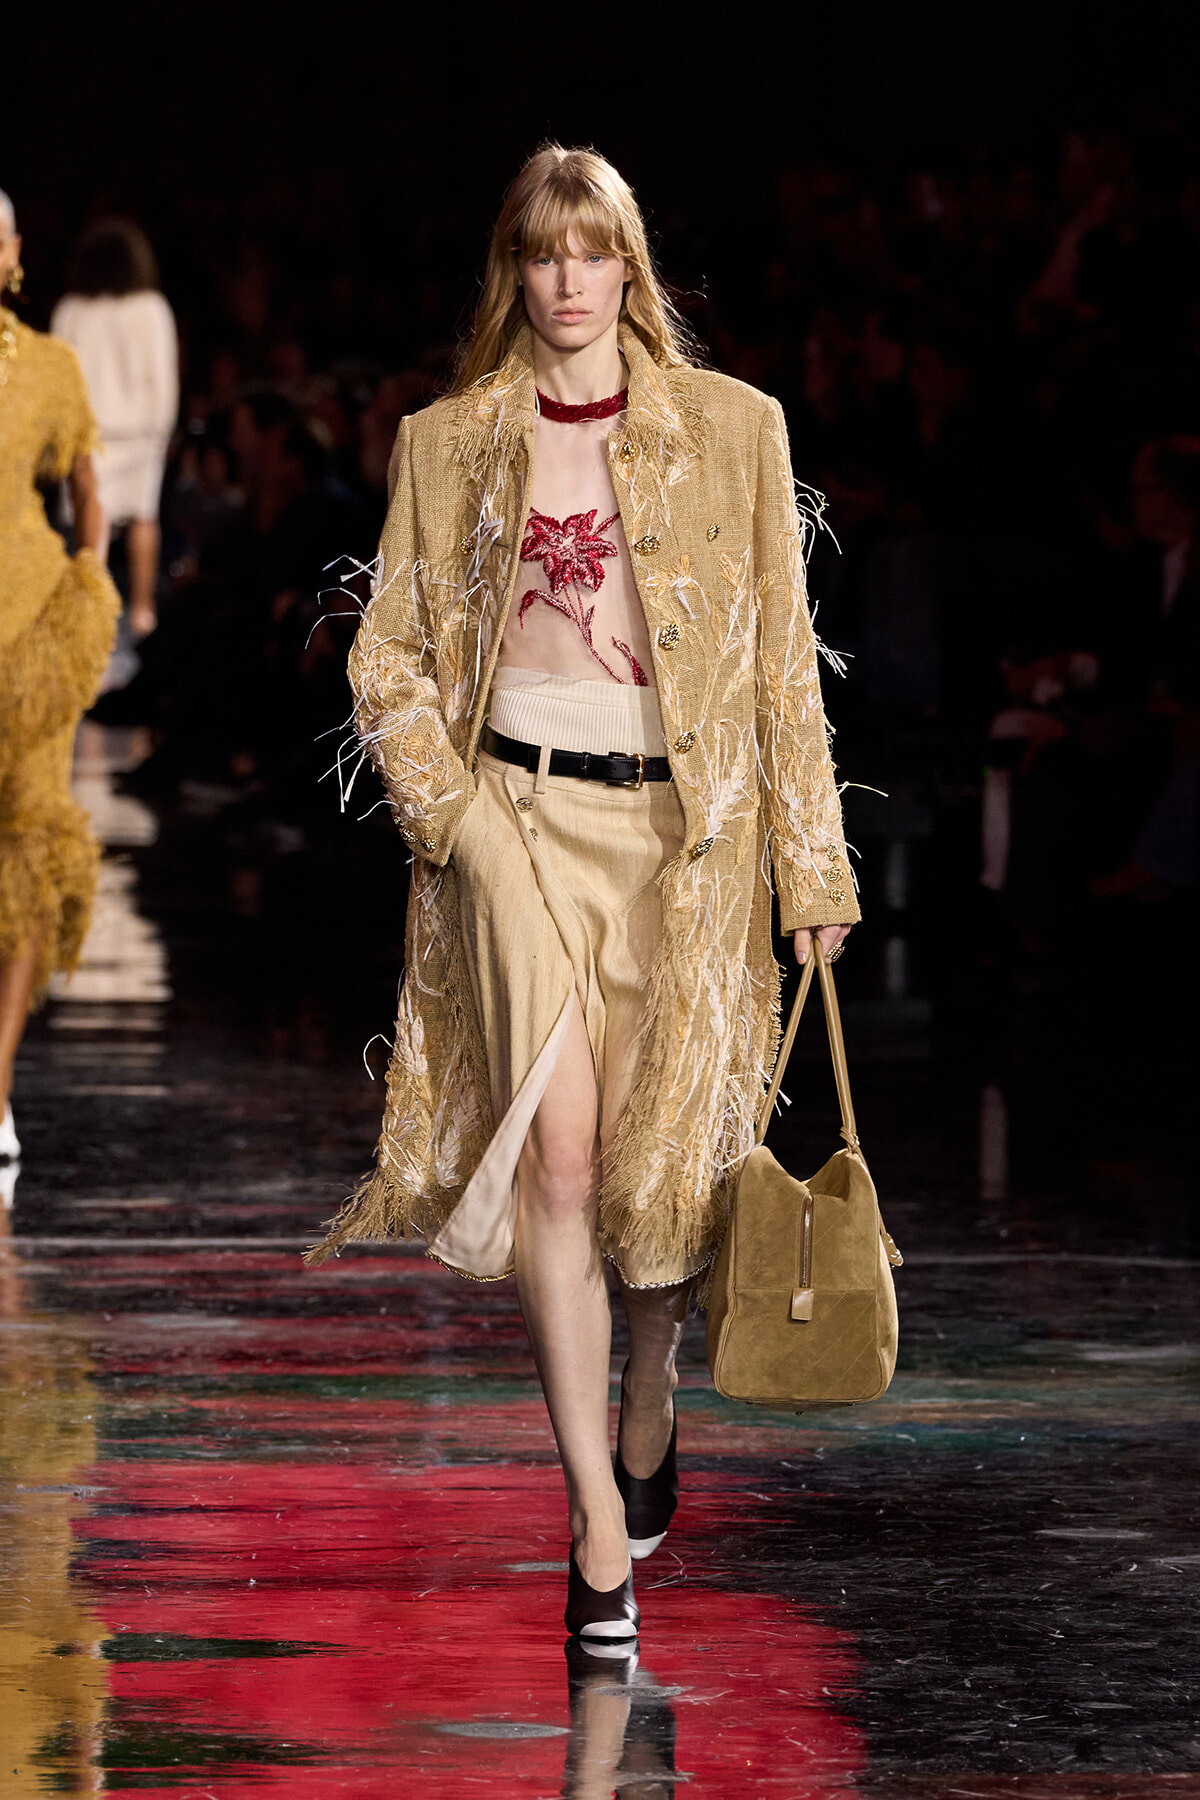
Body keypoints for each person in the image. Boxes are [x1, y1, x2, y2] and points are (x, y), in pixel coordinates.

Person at [306, 146, 859, 1641]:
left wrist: (812, 863)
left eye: (594, 251)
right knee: (559, 1158)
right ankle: (596, 1521)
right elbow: (390, 661)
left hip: (683, 842)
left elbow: (781, 670)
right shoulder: (452, 440)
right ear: (515, 270)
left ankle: (652, 1375)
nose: (568, 280)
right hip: (517, 828)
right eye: (543, 254)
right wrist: (463, 826)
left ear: (631, 267)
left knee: (658, 1184)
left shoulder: (733, 433)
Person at [0, 190, 120, 1161]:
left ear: (13, 256)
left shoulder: (50, 367)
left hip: (28, 636)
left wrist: (88, 587)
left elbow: (88, 491)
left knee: (32, 845)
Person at [51, 219, 178, 637]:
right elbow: (163, 377)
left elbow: (61, 381)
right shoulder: (150, 309)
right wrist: (162, 430)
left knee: (91, 521)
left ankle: (91, 615)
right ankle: (143, 609)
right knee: (142, 516)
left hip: (90, 435)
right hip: (138, 433)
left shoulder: (70, 310)